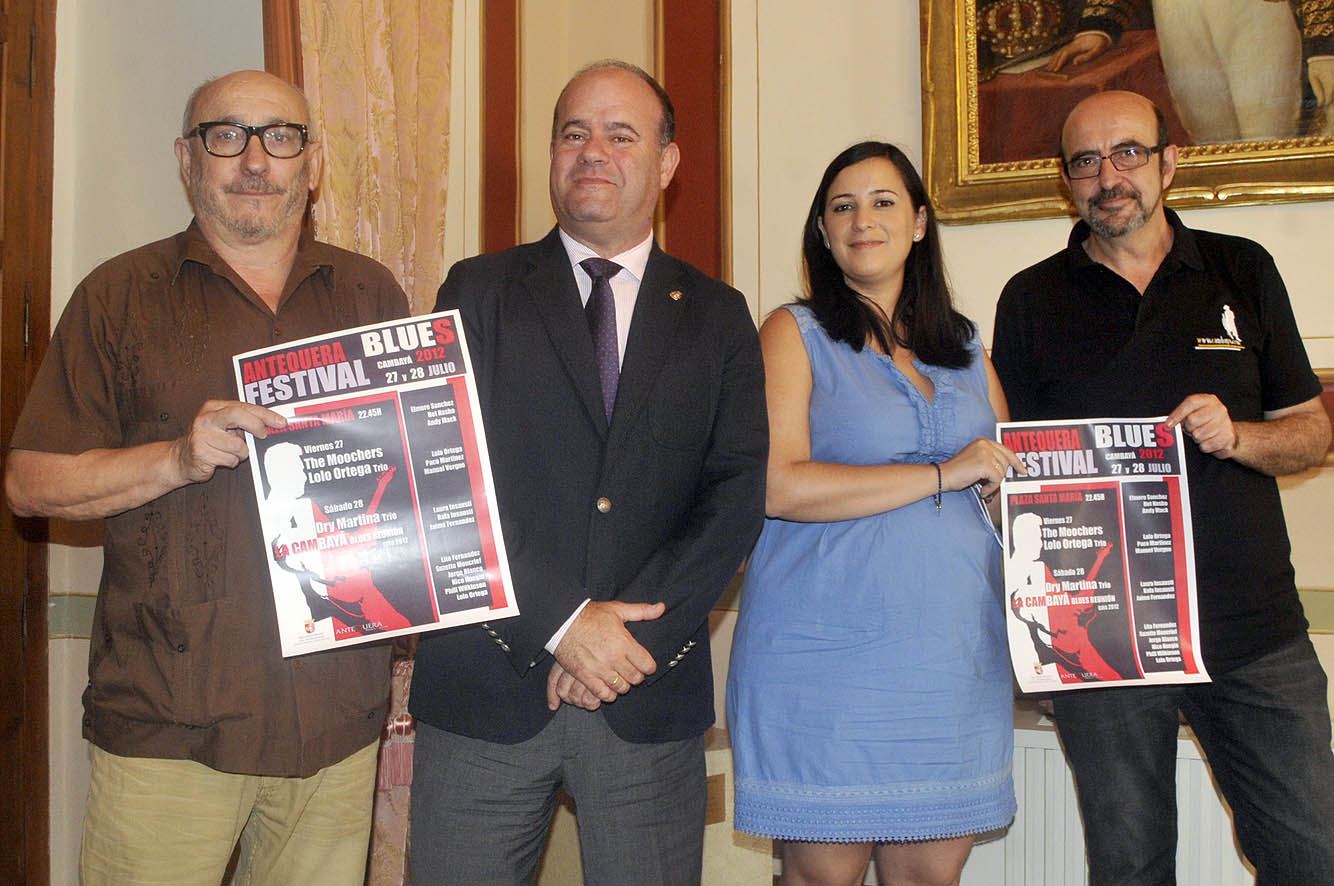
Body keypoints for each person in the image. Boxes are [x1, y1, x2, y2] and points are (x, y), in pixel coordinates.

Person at [4, 70, 409, 885]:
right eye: (227, 136)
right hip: (169, 726)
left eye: (280, 136)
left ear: (314, 163)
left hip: (335, 726)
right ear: (187, 160)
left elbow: (416, 494)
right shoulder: (117, 297)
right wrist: (176, 459)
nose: (255, 158)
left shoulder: (370, 294)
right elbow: (30, 483)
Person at [406, 59, 767, 885]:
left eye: (620, 133)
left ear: (668, 162)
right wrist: (566, 621)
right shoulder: (478, 289)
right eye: (574, 132)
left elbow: (734, 494)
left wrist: (622, 638)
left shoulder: (719, 315)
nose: (592, 150)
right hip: (485, 691)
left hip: (646, 695)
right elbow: (442, 474)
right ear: (552, 155)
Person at [992, 89, 1334, 885]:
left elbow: (1312, 433)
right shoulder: (1031, 298)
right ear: (1066, 181)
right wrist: (1034, 640)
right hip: (1104, 645)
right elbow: (1011, 479)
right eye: (1086, 161)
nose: (1109, 176)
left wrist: (1239, 436)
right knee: (1130, 867)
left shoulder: (1242, 268)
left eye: (1128, 153)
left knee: (1312, 856)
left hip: (1255, 631)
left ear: (1169, 162)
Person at [726, 141, 1022, 886]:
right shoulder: (792, 333)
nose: (864, 220)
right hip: (823, 655)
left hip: (950, 658)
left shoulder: (965, 346)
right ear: (823, 232)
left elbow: (1011, 486)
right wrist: (944, 474)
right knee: (824, 876)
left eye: (884, 201)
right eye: (842, 206)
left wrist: (1008, 493)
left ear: (920, 222)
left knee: (930, 878)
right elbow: (777, 485)